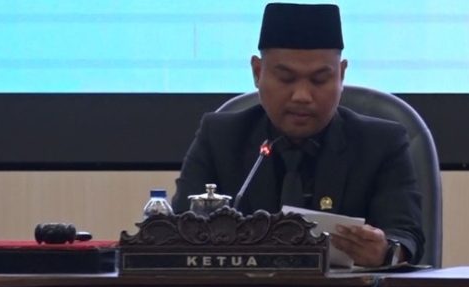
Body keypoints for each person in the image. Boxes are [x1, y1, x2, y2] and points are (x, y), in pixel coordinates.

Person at [172, 3, 424, 267]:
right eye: (286, 79)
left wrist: (386, 252)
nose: (302, 96)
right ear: (257, 72)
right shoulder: (220, 137)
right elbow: (179, 230)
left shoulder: (381, 143)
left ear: (341, 74)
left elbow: (406, 237)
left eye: (319, 80)